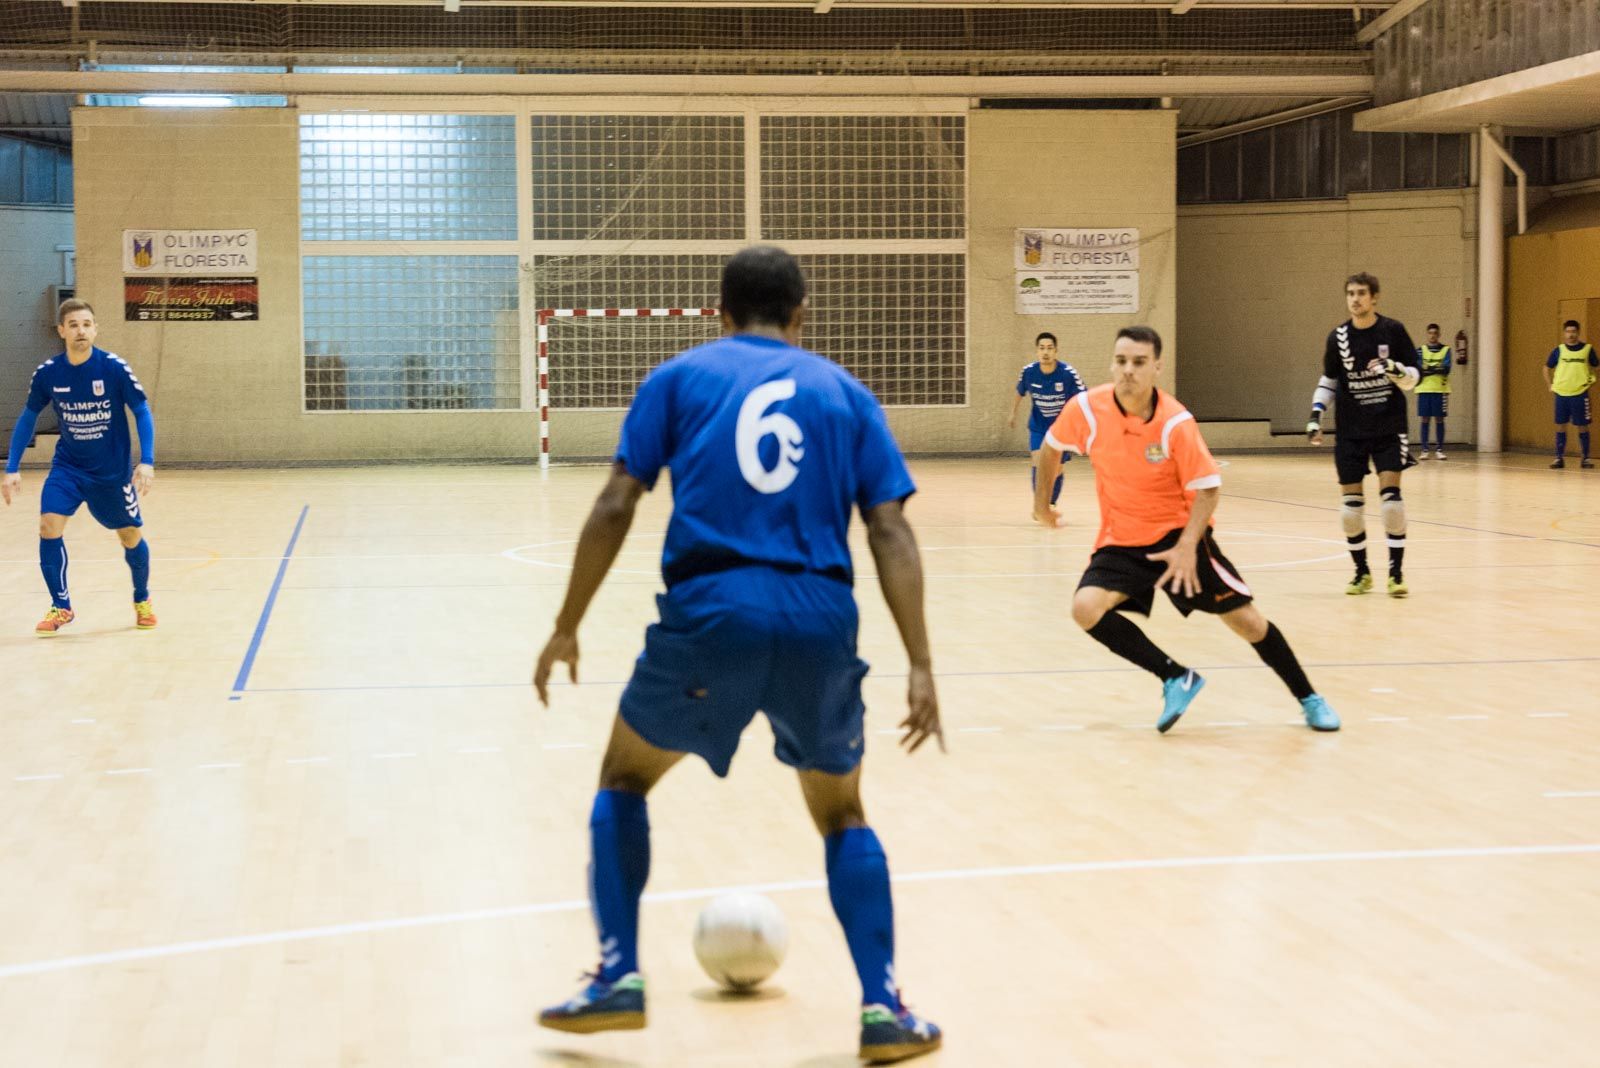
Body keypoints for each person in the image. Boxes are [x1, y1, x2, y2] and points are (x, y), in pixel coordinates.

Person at [531, 246, 943, 1064]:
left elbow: (618, 500)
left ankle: (617, 974)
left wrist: (567, 621)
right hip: (820, 620)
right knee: (841, 812)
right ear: (801, 314)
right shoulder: (847, 393)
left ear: (719, 313)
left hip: (711, 614)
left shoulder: (679, 378)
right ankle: (882, 1007)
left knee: (623, 778)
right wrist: (922, 663)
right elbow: (890, 527)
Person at [1033, 325, 1339, 734]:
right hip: (1122, 540)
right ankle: (1176, 677)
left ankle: (1309, 697)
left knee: (1247, 622)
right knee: (1085, 608)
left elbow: (1209, 489)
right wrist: (1042, 507)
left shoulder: (1175, 422)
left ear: (1156, 367)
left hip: (1180, 537)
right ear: (1111, 363)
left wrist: (1187, 547)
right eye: (1121, 361)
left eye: (1139, 362)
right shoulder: (1087, 409)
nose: (1128, 370)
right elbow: (1051, 448)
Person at [3, 299, 157, 635]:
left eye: (86, 324)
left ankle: (142, 599)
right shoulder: (48, 373)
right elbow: (29, 416)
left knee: (130, 536)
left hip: (111, 474)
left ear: (95, 328)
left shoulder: (114, 368)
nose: (80, 330)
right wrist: (12, 466)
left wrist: (147, 461)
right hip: (68, 468)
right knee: (48, 526)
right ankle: (61, 606)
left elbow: (142, 411)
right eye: (73, 325)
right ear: (61, 331)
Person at [1305, 272, 1420, 598]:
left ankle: (1396, 574)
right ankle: (1361, 573)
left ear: (1375, 298)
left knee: (1391, 504)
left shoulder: (1392, 331)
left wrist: (1394, 369)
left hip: (1388, 427)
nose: (1355, 299)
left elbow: (1413, 378)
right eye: (1350, 294)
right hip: (1351, 431)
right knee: (1350, 508)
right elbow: (1328, 381)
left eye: (1361, 294)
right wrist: (1315, 416)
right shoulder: (1337, 337)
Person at [1006, 332, 1085, 517]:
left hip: (1062, 427)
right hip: (1038, 426)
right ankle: (1039, 506)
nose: (1045, 352)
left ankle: (1051, 502)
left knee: (1056, 468)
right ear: (1037, 351)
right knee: (1038, 461)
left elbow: (1083, 398)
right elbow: (1020, 392)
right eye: (1042, 348)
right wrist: (1013, 412)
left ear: (1056, 351)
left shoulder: (1068, 374)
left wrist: (1082, 425)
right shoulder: (1028, 372)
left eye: (1050, 348)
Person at [1544, 319, 1597, 469]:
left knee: (1583, 426)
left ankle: (1585, 458)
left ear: (1578, 332)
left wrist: (1592, 378)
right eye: (1568, 331)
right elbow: (1546, 368)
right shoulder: (1559, 350)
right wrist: (1550, 385)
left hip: (1580, 393)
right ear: (1564, 333)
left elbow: (1596, 366)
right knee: (1560, 425)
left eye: (1573, 331)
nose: (1571, 334)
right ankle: (1559, 458)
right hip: (1561, 394)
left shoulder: (1587, 349)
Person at [1415, 323, 1452, 461]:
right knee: (1424, 418)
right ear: (1427, 334)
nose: (1432, 335)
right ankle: (1424, 450)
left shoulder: (1446, 350)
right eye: (1430, 333)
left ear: (1439, 334)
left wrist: (1428, 369)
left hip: (1440, 389)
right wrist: (1436, 368)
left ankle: (1439, 449)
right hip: (1424, 389)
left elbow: (1446, 369)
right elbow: (1419, 370)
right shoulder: (1420, 351)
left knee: (1439, 419)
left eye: (1435, 333)